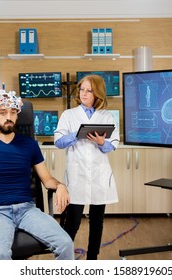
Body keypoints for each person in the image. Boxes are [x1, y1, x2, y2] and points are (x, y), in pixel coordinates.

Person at [0, 90, 74, 260]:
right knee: (0, 254)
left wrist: (60, 186)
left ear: (17, 115)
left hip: (27, 210)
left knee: (65, 243)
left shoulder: (30, 145)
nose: (8, 117)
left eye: (13, 112)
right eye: (3, 112)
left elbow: (47, 180)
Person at [54, 74, 120, 260]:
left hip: (99, 175)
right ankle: (64, 260)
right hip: (76, 175)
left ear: (97, 93)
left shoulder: (106, 116)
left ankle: (93, 259)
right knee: (72, 222)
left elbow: (112, 144)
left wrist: (101, 142)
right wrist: (77, 134)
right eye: (82, 89)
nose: (84, 93)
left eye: (89, 90)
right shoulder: (69, 115)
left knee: (97, 222)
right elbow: (58, 141)